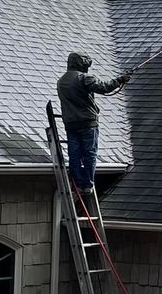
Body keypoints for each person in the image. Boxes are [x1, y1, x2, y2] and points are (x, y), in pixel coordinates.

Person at [56, 52, 131, 194]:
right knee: (89, 154)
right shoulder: (84, 78)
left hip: (71, 124)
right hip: (88, 124)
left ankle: (77, 184)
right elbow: (105, 88)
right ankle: (87, 185)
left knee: (74, 155)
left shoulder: (61, 81)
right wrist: (121, 79)